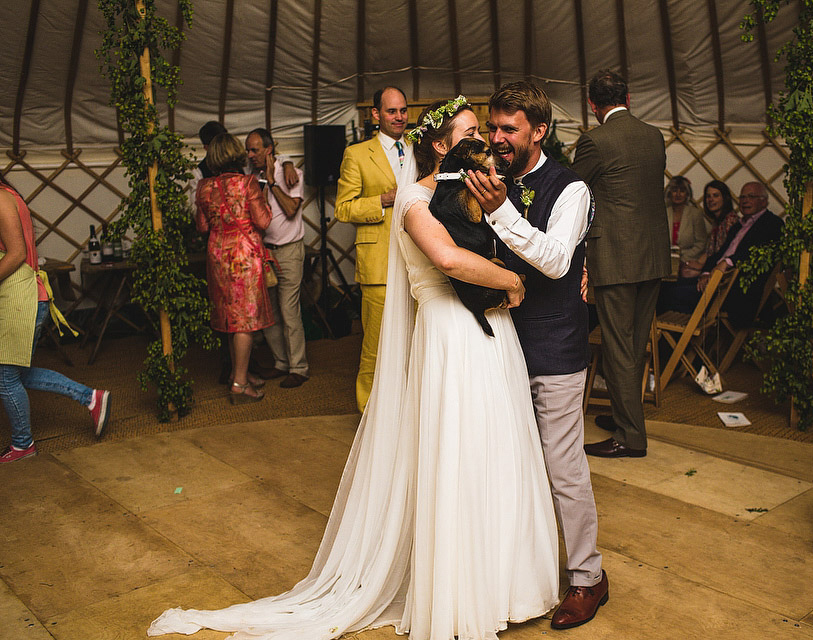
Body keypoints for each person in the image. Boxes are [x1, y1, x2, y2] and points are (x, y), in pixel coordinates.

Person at [148, 98, 558, 639]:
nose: (481, 138)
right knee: (457, 452)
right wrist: (513, 282)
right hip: (451, 336)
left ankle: (509, 583)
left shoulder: (473, 194)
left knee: (495, 447)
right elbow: (451, 260)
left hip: (489, 332)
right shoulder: (415, 199)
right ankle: (464, 594)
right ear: (440, 144)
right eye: (469, 131)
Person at [465, 80, 608, 630]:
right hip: (496, 343)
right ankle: (515, 574)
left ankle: (588, 578)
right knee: (507, 462)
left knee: (562, 466)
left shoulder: (570, 187)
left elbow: (553, 260)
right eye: (493, 128)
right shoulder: (486, 175)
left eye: (509, 130)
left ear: (539, 131)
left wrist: (500, 211)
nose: (497, 138)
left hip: (553, 346)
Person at [570, 68, 672, 460]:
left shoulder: (595, 141)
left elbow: (574, 190)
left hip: (615, 255)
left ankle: (630, 438)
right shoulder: (653, 135)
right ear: (628, 99)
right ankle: (625, 417)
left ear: (593, 105)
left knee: (617, 347)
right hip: (652, 256)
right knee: (636, 342)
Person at [0, 175, 111, 463]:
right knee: (15, 373)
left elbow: (16, 254)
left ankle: (23, 445)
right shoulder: (8, 194)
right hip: (22, 298)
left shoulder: (0, 197)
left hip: (19, 300)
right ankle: (90, 398)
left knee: (4, 376)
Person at [335, 86, 410, 411]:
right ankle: (368, 411)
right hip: (378, 263)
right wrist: (382, 200)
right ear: (376, 114)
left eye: (403, 111)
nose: (399, 117)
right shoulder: (357, 153)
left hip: (416, 261)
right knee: (376, 345)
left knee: (412, 341)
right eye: (392, 111)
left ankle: (405, 410)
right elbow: (343, 208)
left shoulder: (417, 149)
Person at [196, 133, 275, 404]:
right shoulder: (247, 183)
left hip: (217, 254)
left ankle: (236, 374)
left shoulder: (204, 187)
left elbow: (202, 227)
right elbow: (263, 221)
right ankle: (240, 384)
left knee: (231, 319)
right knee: (245, 321)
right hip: (243, 255)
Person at [659, 181, 784, 330]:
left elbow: (755, 252)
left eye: (751, 197)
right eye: (742, 197)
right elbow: (719, 254)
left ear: (764, 201)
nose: (745, 201)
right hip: (715, 281)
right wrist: (705, 272)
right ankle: (666, 341)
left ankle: (676, 344)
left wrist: (727, 263)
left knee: (672, 294)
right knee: (665, 286)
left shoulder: (772, 223)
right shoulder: (740, 225)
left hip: (731, 290)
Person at [245, 128, 309, 389]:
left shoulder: (291, 173)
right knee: (269, 311)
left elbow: (292, 209)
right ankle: (281, 362)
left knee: (288, 309)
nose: (250, 155)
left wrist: (273, 181)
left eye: (255, 150)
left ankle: (299, 368)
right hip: (265, 251)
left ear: (269, 149)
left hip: (289, 250)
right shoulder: (250, 175)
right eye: (248, 150)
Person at [665, 175, 709, 278]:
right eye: (675, 190)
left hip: (688, 263)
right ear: (669, 193)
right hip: (665, 262)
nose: (678, 194)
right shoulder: (663, 213)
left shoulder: (695, 214)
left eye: (682, 191)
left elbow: (701, 243)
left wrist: (681, 258)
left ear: (687, 194)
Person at [701, 179, 738, 263]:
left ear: (725, 198)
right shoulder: (717, 222)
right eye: (708, 196)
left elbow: (725, 253)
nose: (711, 199)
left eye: (716, 195)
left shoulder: (730, 221)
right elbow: (709, 253)